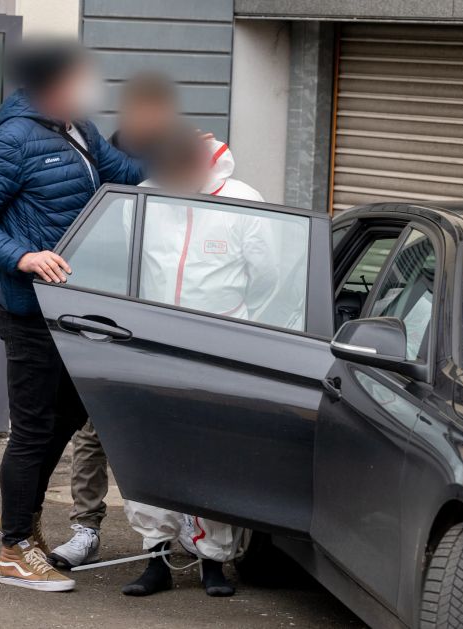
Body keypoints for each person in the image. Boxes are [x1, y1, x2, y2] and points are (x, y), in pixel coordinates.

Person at [0, 38, 144, 593]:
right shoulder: (12, 139)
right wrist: (22, 255)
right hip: (31, 309)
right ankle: (14, 548)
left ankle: (20, 510)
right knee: (35, 427)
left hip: (74, 309)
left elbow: (122, 175)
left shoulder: (78, 128)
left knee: (67, 416)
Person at [120, 126, 279, 598]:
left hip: (219, 347)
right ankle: (156, 557)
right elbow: (132, 267)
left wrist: (243, 335)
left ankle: (213, 561)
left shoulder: (244, 200)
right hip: (154, 345)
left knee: (215, 455)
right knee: (150, 449)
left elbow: (268, 277)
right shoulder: (146, 198)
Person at [49, 71, 180, 570]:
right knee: (94, 425)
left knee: (167, 424)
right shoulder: (101, 155)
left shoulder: (185, 158)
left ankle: (184, 536)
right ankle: (86, 528)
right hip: (107, 307)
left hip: (167, 315)